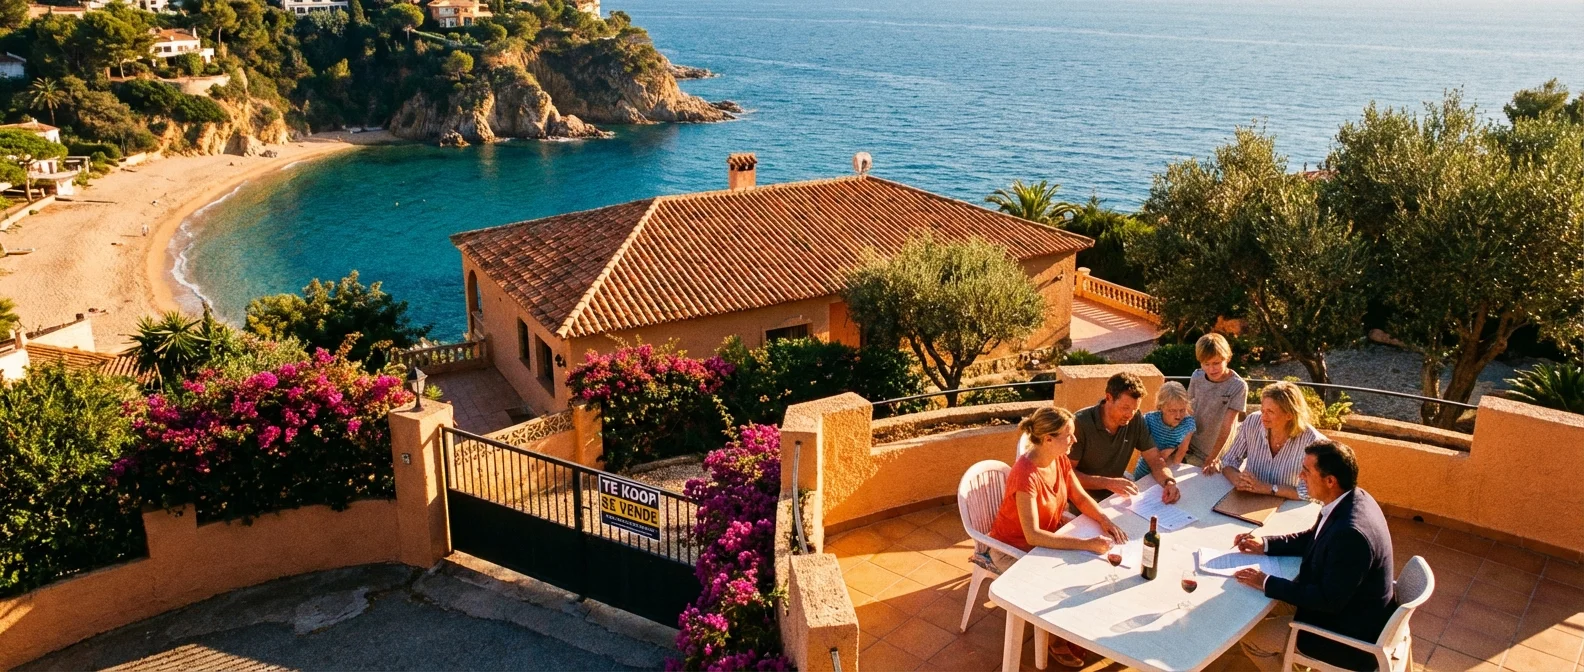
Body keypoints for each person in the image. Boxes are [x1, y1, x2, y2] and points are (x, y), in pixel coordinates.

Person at [1232, 442, 1395, 672]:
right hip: (1351, 607)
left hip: (1345, 637)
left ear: (1330, 481)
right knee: (1256, 600)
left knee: (1251, 639)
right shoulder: (1352, 499)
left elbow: (1327, 600)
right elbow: (1313, 537)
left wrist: (1266, 581)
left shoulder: (1350, 534)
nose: (1301, 476)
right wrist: (1265, 544)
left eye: (1306, 471)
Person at [988, 407, 1128, 668]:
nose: (1074, 439)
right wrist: (1086, 544)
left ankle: (1069, 625)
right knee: (1057, 579)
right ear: (1048, 439)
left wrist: (1104, 520)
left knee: (1087, 566)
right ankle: (1054, 637)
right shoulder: (1025, 474)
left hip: (1046, 539)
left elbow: (1079, 497)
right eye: (1069, 435)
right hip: (1012, 549)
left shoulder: (1059, 458)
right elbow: (1032, 535)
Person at [1072, 372, 1179, 504]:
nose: (1130, 414)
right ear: (1108, 397)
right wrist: (1107, 483)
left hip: (1115, 495)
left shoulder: (1135, 418)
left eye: (1135, 408)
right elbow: (1066, 474)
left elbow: (1154, 459)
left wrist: (1168, 481)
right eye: (1125, 408)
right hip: (1080, 497)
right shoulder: (1080, 423)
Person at [1207, 381, 1322, 500]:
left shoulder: (1312, 441)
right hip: (1249, 498)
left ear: (1289, 415)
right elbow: (1229, 460)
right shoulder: (1252, 422)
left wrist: (1267, 488)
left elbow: (1310, 491)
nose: (1263, 417)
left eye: (1270, 412)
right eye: (1262, 410)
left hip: (1289, 504)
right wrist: (1236, 479)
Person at [1187, 333, 1248, 466]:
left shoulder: (1238, 386)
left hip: (1218, 453)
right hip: (1191, 447)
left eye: (1216, 363)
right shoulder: (1196, 376)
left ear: (1227, 358)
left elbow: (1228, 425)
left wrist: (1213, 457)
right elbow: (1188, 409)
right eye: (1206, 364)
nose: (1211, 369)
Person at [1131, 381, 1196, 479]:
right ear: (1161, 407)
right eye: (1172, 410)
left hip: (1170, 471)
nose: (1178, 416)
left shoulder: (1188, 424)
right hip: (1144, 472)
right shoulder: (1149, 419)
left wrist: (1172, 451)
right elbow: (1143, 450)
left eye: (1182, 410)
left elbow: (1181, 453)